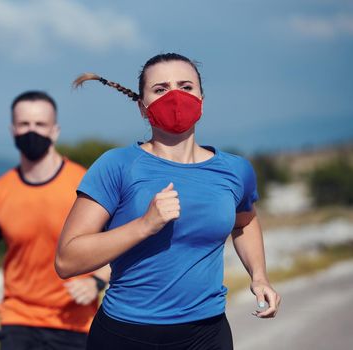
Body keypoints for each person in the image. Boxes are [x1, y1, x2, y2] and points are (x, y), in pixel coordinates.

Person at [55, 53, 281, 350]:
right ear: (141, 106)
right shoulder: (117, 165)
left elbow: (245, 221)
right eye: (160, 89)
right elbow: (67, 260)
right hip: (126, 335)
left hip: (207, 334)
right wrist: (144, 225)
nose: (175, 96)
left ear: (202, 98)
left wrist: (259, 276)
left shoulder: (235, 170)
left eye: (186, 87)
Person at [0, 90, 111, 350]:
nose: (31, 131)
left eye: (40, 124)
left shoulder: (85, 185)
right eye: (24, 124)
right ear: (12, 130)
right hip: (18, 317)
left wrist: (96, 282)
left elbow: (117, 246)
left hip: (74, 320)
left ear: (55, 131)